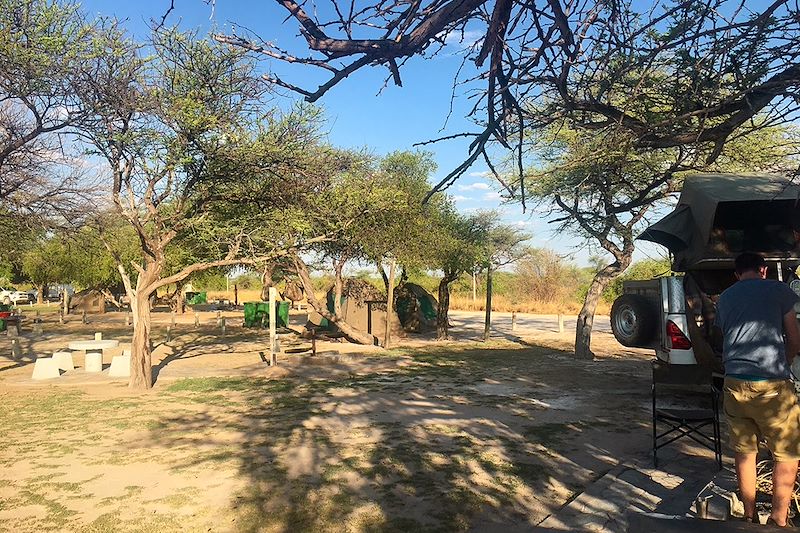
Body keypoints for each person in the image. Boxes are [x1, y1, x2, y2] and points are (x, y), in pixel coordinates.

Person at [716, 252, 800, 526]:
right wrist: (784, 364)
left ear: (737, 274)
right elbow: (794, 338)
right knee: (787, 454)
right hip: (773, 385)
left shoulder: (725, 297)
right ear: (763, 270)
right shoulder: (779, 290)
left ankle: (749, 517)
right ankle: (778, 519)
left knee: (745, 453)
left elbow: (725, 336)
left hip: (734, 383)